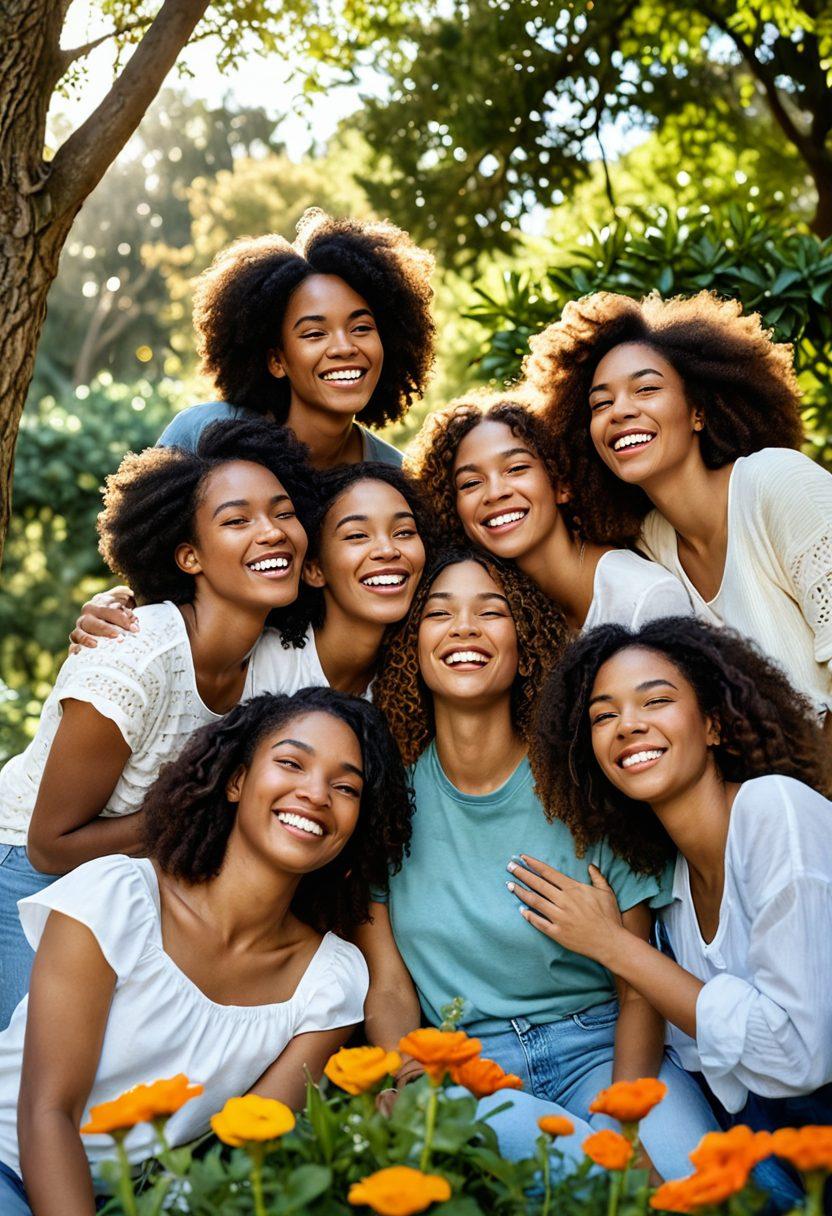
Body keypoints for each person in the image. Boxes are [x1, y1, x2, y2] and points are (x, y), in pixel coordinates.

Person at [359, 551, 716, 1179]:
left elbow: (637, 986)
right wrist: (400, 1072)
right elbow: (388, 985)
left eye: (490, 612)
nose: (464, 627)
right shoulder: (385, 806)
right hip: (467, 1068)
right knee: (602, 1188)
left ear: (524, 650)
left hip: (607, 1050)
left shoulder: (586, 786)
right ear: (412, 651)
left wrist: (624, 1122)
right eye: (440, 614)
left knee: (709, 1187)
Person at [0, 688, 414, 1216]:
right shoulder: (116, 899)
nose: (315, 794)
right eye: (291, 763)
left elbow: (237, 1160)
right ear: (237, 780)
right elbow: (47, 1113)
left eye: (346, 787)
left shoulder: (331, 982)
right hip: (12, 1167)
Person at [0, 419, 314, 1026]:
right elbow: (49, 844)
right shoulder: (132, 662)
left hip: (130, 875)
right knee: (24, 1073)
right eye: (237, 520)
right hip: (22, 869)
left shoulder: (277, 656)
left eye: (283, 513)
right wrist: (199, 815)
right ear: (188, 556)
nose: (272, 532)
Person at [527, 617, 832, 1199]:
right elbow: (714, 1065)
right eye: (603, 715)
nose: (628, 726)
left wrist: (613, 945)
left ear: (714, 724)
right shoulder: (670, 882)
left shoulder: (775, 811)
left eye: (656, 700)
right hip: (770, 1143)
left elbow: (800, 1057)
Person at [523, 290, 832, 716]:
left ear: (698, 412)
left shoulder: (777, 485)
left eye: (646, 389)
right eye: (601, 403)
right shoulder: (651, 545)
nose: (620, 411)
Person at [71, 464, 429, 699]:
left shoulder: (423, 667)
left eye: (404, 532)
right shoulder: (256, 668)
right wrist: (125, 601)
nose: (387, 550)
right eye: (356, 536)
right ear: (313, 569)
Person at [158, 209, 436, 470]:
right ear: (277, 360)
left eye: (361, 328)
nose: (343, 347)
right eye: (315, 333)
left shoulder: (396, 476)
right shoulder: (200, 436)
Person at [409, 396, 691, 631]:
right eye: (471, 483)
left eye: (516, 468)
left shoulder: (644, 598)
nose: (495, 493)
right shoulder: (504, 613)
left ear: (561, 483)